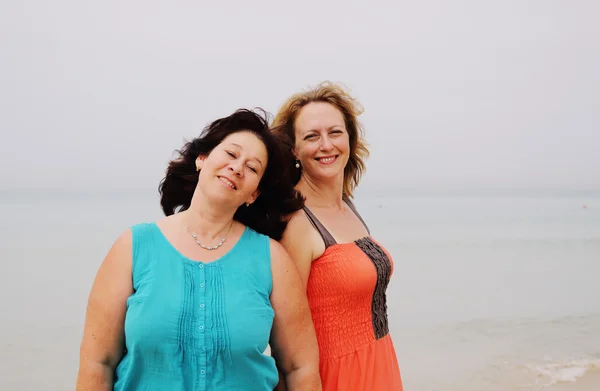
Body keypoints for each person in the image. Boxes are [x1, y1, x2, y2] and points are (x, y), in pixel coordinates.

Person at [76, 109, 322, 391]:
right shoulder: (133, 246)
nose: (237, 167)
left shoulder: (273, 259)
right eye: (231, 154)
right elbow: (97, 364)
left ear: (254, 194)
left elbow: (300, 368)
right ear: (202, 159)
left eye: (252, 168)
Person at [271, 83, 403, 391]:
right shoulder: (297, 223)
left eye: (335, 132)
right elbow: (284, 339)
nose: (326, 145)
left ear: (350, 139)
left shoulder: (347, 205)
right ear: (294, 149)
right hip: (334, 377)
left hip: (380, 363)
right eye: (311, 136)